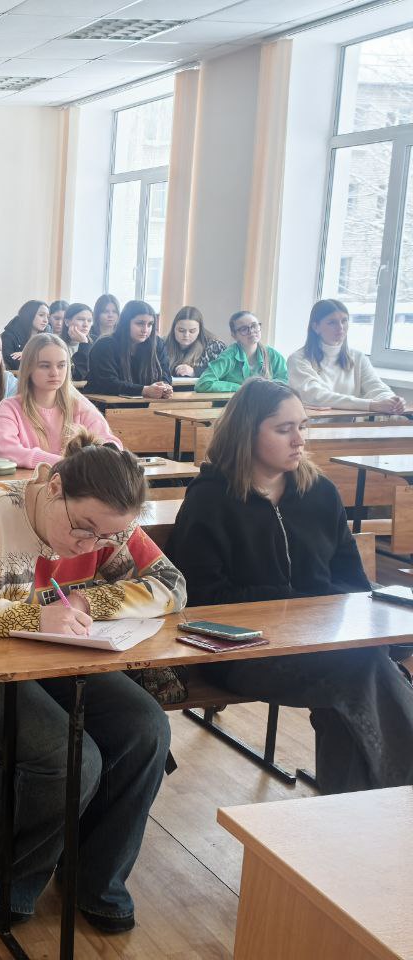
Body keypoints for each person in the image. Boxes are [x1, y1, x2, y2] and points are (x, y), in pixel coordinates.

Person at [0, 434, 184, 932]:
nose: (89, 546)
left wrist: (91, 602)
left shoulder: (108, 522)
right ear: (54, 488)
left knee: (146, 727)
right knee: (67, 756)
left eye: (106, 538)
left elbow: (172, 586)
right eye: (82, 529)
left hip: (44, 656)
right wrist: (32, 616)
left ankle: (93, 879)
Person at [169, 378, 413, 793]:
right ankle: (395, 802)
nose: (299, 439)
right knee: (363, 668)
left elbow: (352, 582)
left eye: (303, 426)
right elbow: (205, 601)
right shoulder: (210, 501)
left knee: (355, 681)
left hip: (325, 643)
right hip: (244, 651)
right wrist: (301, 607)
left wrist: (329, 619)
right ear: (247, 433)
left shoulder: (319, 492)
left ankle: (351, 814)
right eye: (284, 429)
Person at [0, 334, 121, 467]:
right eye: (45, 366)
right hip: (29, 480)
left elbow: (111, 444)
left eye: (61, 365)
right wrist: (66, 463)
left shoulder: (80, 407)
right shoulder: (8, 408)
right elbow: (8, 451)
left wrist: (105, 452)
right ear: (28, 368)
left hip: (75, 479)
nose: (54, 373)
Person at [288, 299, 405, 413]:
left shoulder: (358, 357)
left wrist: (392, 400)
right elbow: (317, 396)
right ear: (316, 327)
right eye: (332, 322)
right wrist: (370, 405)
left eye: (344, 321)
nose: (340, 327)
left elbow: (376, 387)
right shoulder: (298, 359)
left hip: (349, 425)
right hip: (312, 425)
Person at [86, 300, 173, 398]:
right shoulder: (105, 345)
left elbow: (165, 374)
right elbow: (107, 383)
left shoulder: (156, 343)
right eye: (140, 323)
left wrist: (164, 388)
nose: (145, 329)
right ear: (126, 323)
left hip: (144, 403)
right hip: (104, 403)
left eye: (150, 324)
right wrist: (144, 390)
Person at [197, 310, 288, 392]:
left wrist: (263, 388)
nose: (251, 331)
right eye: (244, 329)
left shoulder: (273, 355)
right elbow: (203, 383)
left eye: (254, 326)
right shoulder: (228, 356)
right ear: (234, 335)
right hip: (234, 403)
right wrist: (241, 388)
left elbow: (285, 382)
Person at [164, 306, 225, 378]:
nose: (186, 335)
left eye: (192, 331)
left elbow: (223, 373)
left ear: (200, 330)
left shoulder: (215, 346)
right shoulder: (163, 344)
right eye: (181, 330)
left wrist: (195, 372)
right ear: (173, 329)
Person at [1, 300, 51, 370]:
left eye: (48, 317)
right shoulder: (8, 336)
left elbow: (52, 359)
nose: (46, 320)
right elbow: (14, 364)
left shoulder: (48, 336)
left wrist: (27, 355)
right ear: (29, 315)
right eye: (41, 315)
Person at [60, 302, 94, 381]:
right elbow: (77, 376)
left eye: (89, 320)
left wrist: (84, 343)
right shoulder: (56, 345)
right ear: (67, 322)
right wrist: (84, 344)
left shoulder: (95, 344)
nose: (86, 325)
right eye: (81, 319)